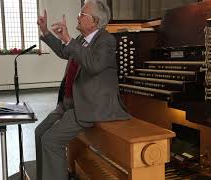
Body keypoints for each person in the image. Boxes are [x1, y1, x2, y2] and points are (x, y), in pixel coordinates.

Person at [35, 0, 131, 179]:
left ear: (94, 21)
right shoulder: (81, 39)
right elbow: (65, 52)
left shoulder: (106, 40)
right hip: (69, 103)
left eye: (81, 14)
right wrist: (46, 32)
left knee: (50, 141)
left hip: (90, 106)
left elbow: (94, 65)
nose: (77, 17)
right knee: (40, 131)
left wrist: (68, 40)